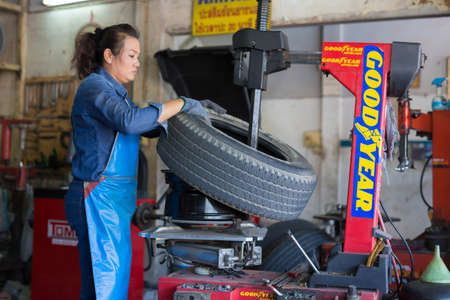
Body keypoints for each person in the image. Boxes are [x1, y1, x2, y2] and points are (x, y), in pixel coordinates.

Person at [65, 23, 224, 300]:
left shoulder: (117, 93)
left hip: (111, 201)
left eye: (138, 56)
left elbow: (142, 125)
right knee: (104, 283)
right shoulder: (94, 87)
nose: (138, 63)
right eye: (132, 55)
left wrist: (180, 117)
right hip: (95, 198)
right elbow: (129, 122)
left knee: (108, 284)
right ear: (109, 56)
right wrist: (183, 104)